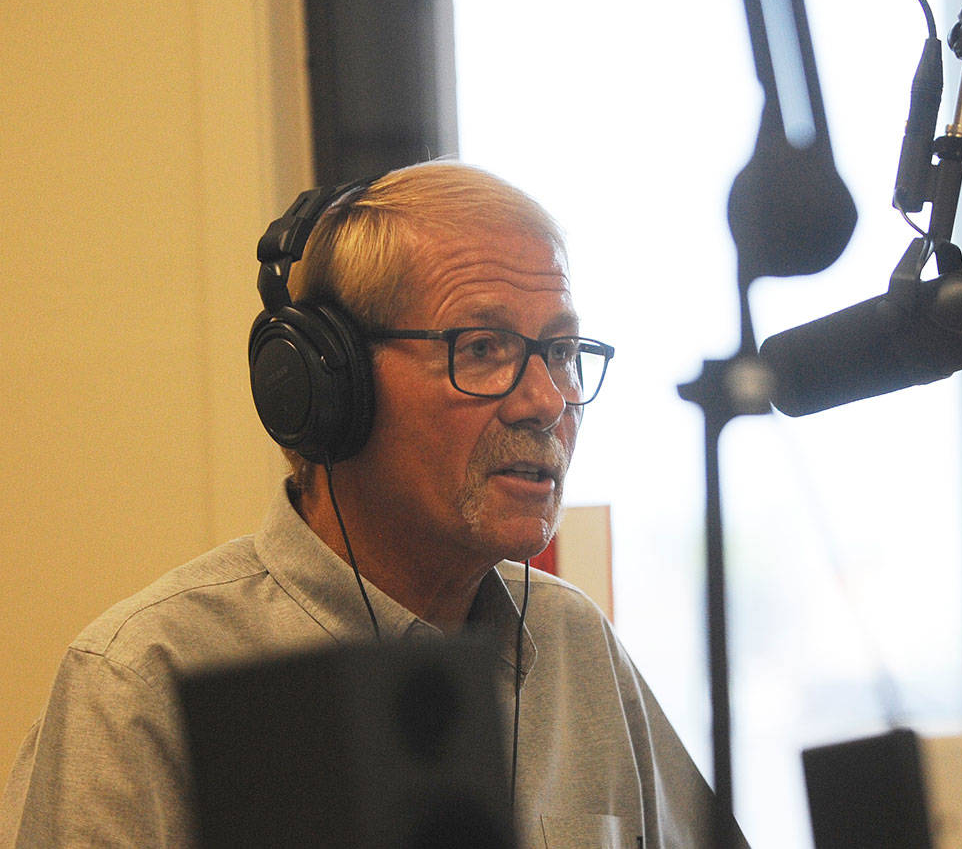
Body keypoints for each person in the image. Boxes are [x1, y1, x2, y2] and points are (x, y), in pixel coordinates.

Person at [1, 161, 741, 847]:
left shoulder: (574, 643)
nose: (546, 401)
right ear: (329, 385)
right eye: (483, 348)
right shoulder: (142, 679)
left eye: (559, 352)